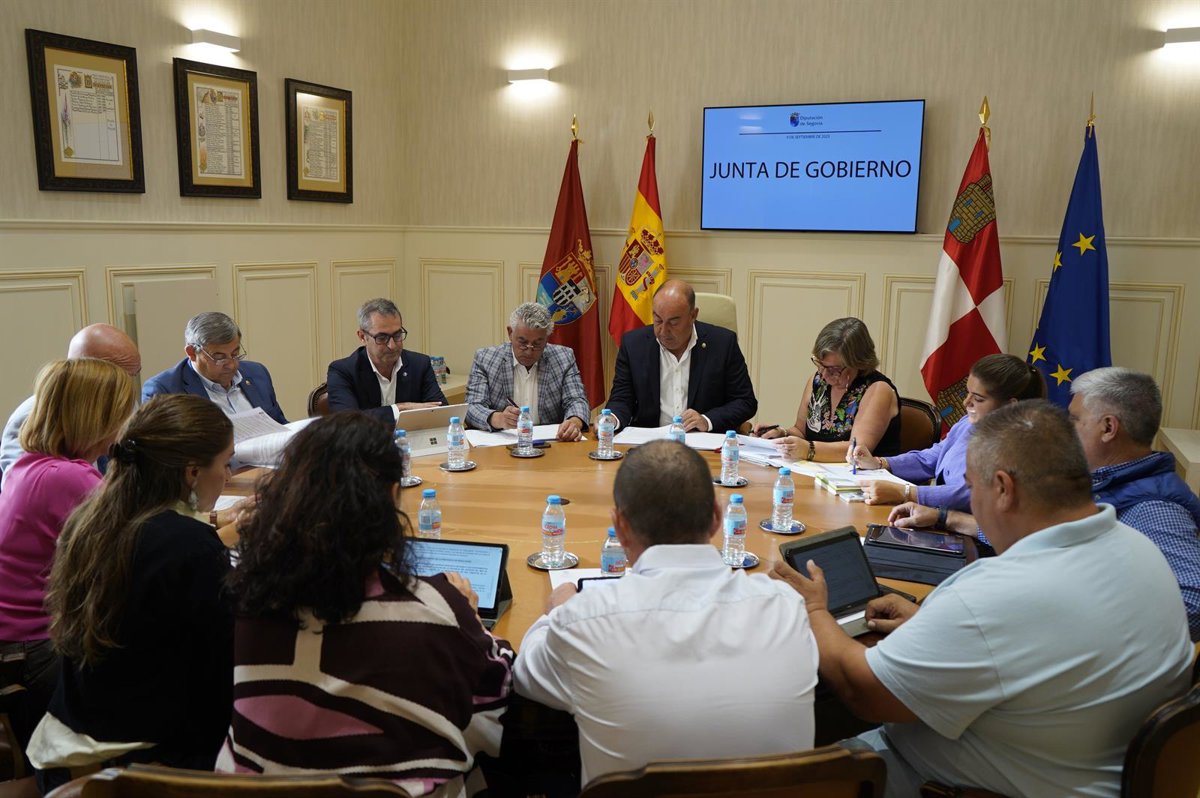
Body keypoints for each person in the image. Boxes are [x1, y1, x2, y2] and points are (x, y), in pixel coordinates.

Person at [773, 400, 1193, 798]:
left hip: (939, 782)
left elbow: (862, 691)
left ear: (1004, 488)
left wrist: (815, 610)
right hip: (1086, 772)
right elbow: (1038, 644)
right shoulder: (1144, 549)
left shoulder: (996, 593)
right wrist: (932, 624)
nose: (972, 502)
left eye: (972, 487)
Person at [217, 413, 513, 796]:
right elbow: (497, 697)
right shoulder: (432, 609)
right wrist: (473, 623)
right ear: (392, 496)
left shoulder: (248, 601)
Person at [513, 440, 818, 785]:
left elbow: (523, 677)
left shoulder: (583, 622)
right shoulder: (785, 608)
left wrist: (557, 613)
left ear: (620, 526)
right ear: (717, 517)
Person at [892, 367, 1200, 641]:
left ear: (1108, 428)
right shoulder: (1105, 480)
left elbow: (1192, 603)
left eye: (1074, 420)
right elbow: (1045, 537)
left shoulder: (1155, 508)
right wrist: (947, 518)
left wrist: (1063, 621)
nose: (1064, 429)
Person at [28, 395, 235, 789]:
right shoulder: (188, 544)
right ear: (192, 472)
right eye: (226, 464)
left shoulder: (90, 519)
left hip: (69, 735)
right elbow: (221, 664)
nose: (226, 475)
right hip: (135, 760)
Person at [0, 359, 137, 755]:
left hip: (15, 640)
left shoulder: (30, 465)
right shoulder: (70, 477)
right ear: (98, 418)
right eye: (120, 415)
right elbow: (137, 550)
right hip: (34, 646)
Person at [850, 354, 1045, 508]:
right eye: (967, 393)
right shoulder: (968, 424)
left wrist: (906, 493)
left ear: (1010, 406)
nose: (966, 402)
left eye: (978, 399)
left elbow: (971, 494)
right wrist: (879, 463)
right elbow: (931, 458)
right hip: (937, 516)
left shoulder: (1019, 448)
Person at [602, 280, 757, 433]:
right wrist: (612, 419)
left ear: (693, 315)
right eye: (658, 320)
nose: (663, 331)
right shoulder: (633, 344)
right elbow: (621, 399)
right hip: (650, 441)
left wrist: (707, 420)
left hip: (702, 441)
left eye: (673, 322)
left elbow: (745, 401)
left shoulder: (723, 343)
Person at [1, 323, 141, 489]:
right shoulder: (33, 417)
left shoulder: (124, 404)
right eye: (121, 377)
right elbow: (22, 487)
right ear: (85, 373)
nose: (128, 388)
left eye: (134, 375)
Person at [753, 317, 901, 461]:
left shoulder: (878, 390)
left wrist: (808, 449)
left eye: (833, 369)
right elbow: (801, 431)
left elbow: (857, 450)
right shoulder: (818, 381)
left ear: (858, 363)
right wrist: (781, 434)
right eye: (820, 365)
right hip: (815, 472)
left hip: (864, 475)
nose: (823, 374)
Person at [465, 302, 590, 441]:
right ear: (510, 333)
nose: (529, 351)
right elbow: (472, 407)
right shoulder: (486, 359)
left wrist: (574, 422)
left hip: (550, 443)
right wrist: (498, 419)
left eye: (537, 344)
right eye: (522, 342)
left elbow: (577, 400)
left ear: (547, 338)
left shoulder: (563, 358)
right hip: (502, 442)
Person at [142, 311, 288, 423]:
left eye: (235, 354)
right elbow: (165, 449)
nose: (231, 365)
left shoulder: (257, 373)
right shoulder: (164, 390)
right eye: (219, 357)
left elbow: (281, 426)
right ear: (192, 353)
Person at [326, 297, 447, 424]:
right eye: (382, 338)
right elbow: (347, 422)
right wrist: (400, 409)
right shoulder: (342, 371)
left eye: (397, 335)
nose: (392, 345)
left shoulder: (419, 364)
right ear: (362, 337)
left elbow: (441, 411)